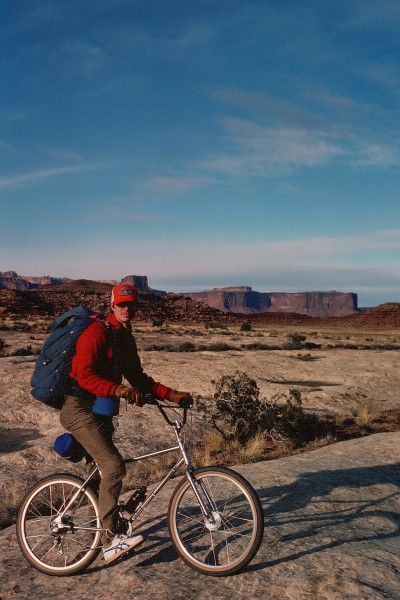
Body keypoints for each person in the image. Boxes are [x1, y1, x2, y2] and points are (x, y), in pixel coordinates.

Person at [60, 284, 193, 564]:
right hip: (79, 409)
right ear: (112, 305)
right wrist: (117, 390)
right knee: (113, 467)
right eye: (122, 304)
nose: (126, 309)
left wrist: (172, 394)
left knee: (98, 477)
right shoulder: (97, 332)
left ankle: (95, 540)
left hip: (101, 412)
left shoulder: (125, 338)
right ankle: (110, 542)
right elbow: (84, 376)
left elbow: (138, 378)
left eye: (131, 305)